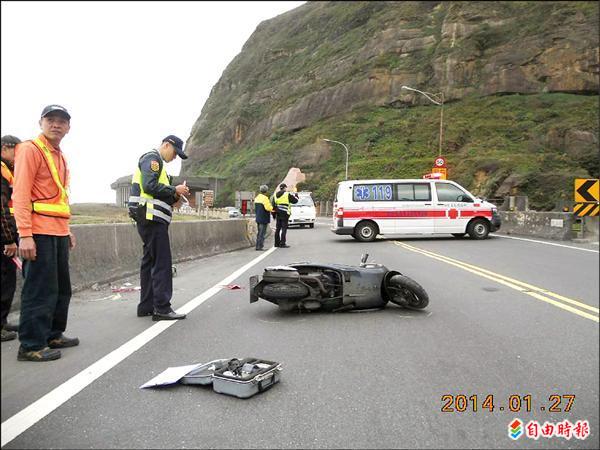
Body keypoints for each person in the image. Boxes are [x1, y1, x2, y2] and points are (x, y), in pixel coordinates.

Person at [13, 105, 78, 361]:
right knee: (40, 289)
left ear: (68, 128)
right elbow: (20, 193)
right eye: (51, 120)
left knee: (61, 288)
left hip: (58, 231)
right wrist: (25, 234)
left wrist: (67, 230)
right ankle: (30, 345)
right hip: (38, 231)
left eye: (62, 121)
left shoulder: (60, 156)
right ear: (41, 122)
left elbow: (60, 198)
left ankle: (53, 333)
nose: (56, 125)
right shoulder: (30, 149)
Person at [128, 135, 190, 321]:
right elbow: (150, 186)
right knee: (162, 262)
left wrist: (176, 196)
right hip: (151, 219)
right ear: (166, 145)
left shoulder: (160, 167)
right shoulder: (152, 159)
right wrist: (174, 190)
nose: (175, 157)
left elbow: (158, 192)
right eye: (175, 153)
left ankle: (146, 306)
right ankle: (162, 308)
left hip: (149, 219)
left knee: (149, 261)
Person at [1, 135, 21, 342]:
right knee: (4, 280)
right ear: (5, 148)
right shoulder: (2, 172)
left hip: (6, 234)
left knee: (8, 280)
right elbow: (2, 209)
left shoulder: (9, 171)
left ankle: (3, 321)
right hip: (4, 237)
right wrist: (8, 239)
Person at [271, 183, 298, 248]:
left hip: (278, 213)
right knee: (284, 228)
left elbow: (273, 205)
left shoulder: (275, 195)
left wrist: (274, 215)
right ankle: (282, 243)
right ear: (285, 188)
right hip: (285, 213)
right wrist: (296, 196)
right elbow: (295, 201)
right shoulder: (287, 194)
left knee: (278, 229)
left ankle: (276, 243)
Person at [253, 185, 273, 251]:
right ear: (266, 191)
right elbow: (268, 208)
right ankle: (260, 246)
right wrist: (272, 208)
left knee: (259, 232)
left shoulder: (257, 198)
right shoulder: (265, 198)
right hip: (264, 218)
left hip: (258, 217)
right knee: (262, 233)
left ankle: (257, 245)